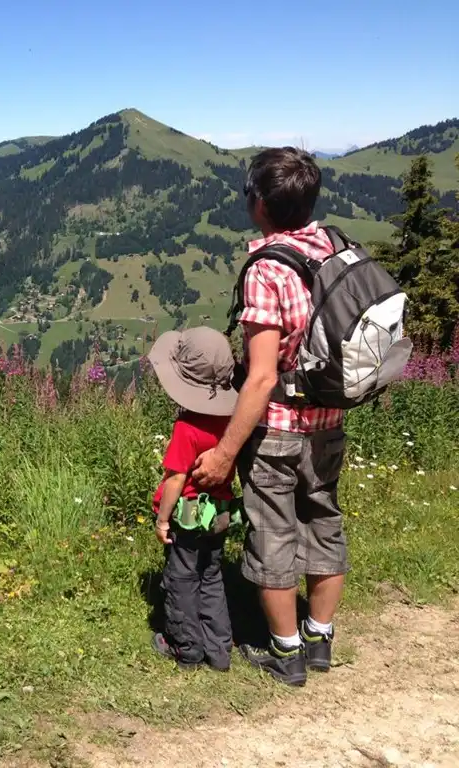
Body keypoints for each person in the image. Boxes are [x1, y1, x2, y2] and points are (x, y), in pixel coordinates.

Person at [192, 147, 347, 687]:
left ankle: (286, 654)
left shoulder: (267, 268)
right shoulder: (334, 247)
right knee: (323, 518)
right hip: (330, 421)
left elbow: (260, 378)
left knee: (274, 533)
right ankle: (320, 638)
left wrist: (224, 452)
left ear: (259, 204)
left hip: (280, 425)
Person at [147, 326, 239, 672]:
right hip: (218, 515)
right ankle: (219, 649)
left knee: (181, 580)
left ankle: (184, 646)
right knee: (211, 576)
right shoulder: (231, 423)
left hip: (186, 519)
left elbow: (175, 479)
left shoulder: (186, 429)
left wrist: (162, 520)